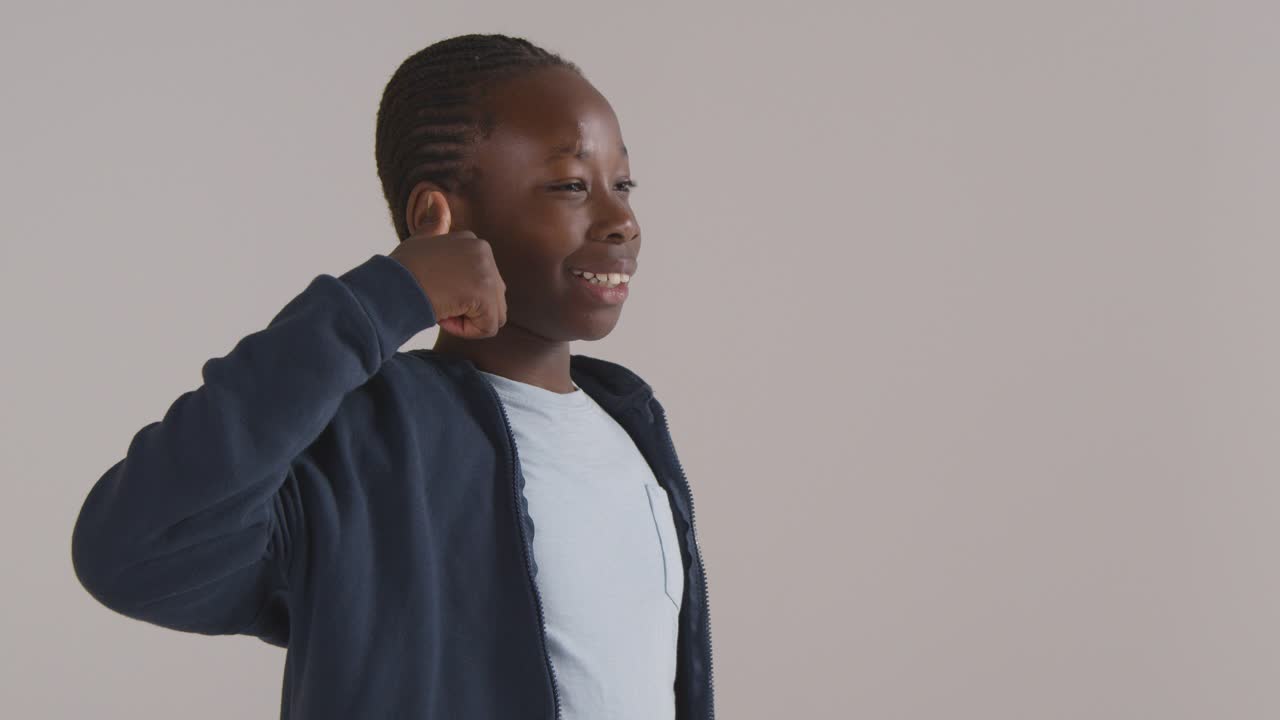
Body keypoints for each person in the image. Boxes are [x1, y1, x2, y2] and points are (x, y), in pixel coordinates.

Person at [69, 33, 715, 720]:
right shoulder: (361, 442)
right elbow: (135, 552)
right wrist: (385, 298)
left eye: (623, 185)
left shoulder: (632, 427)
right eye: (570, 186)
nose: (622, 221)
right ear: (435, 218)